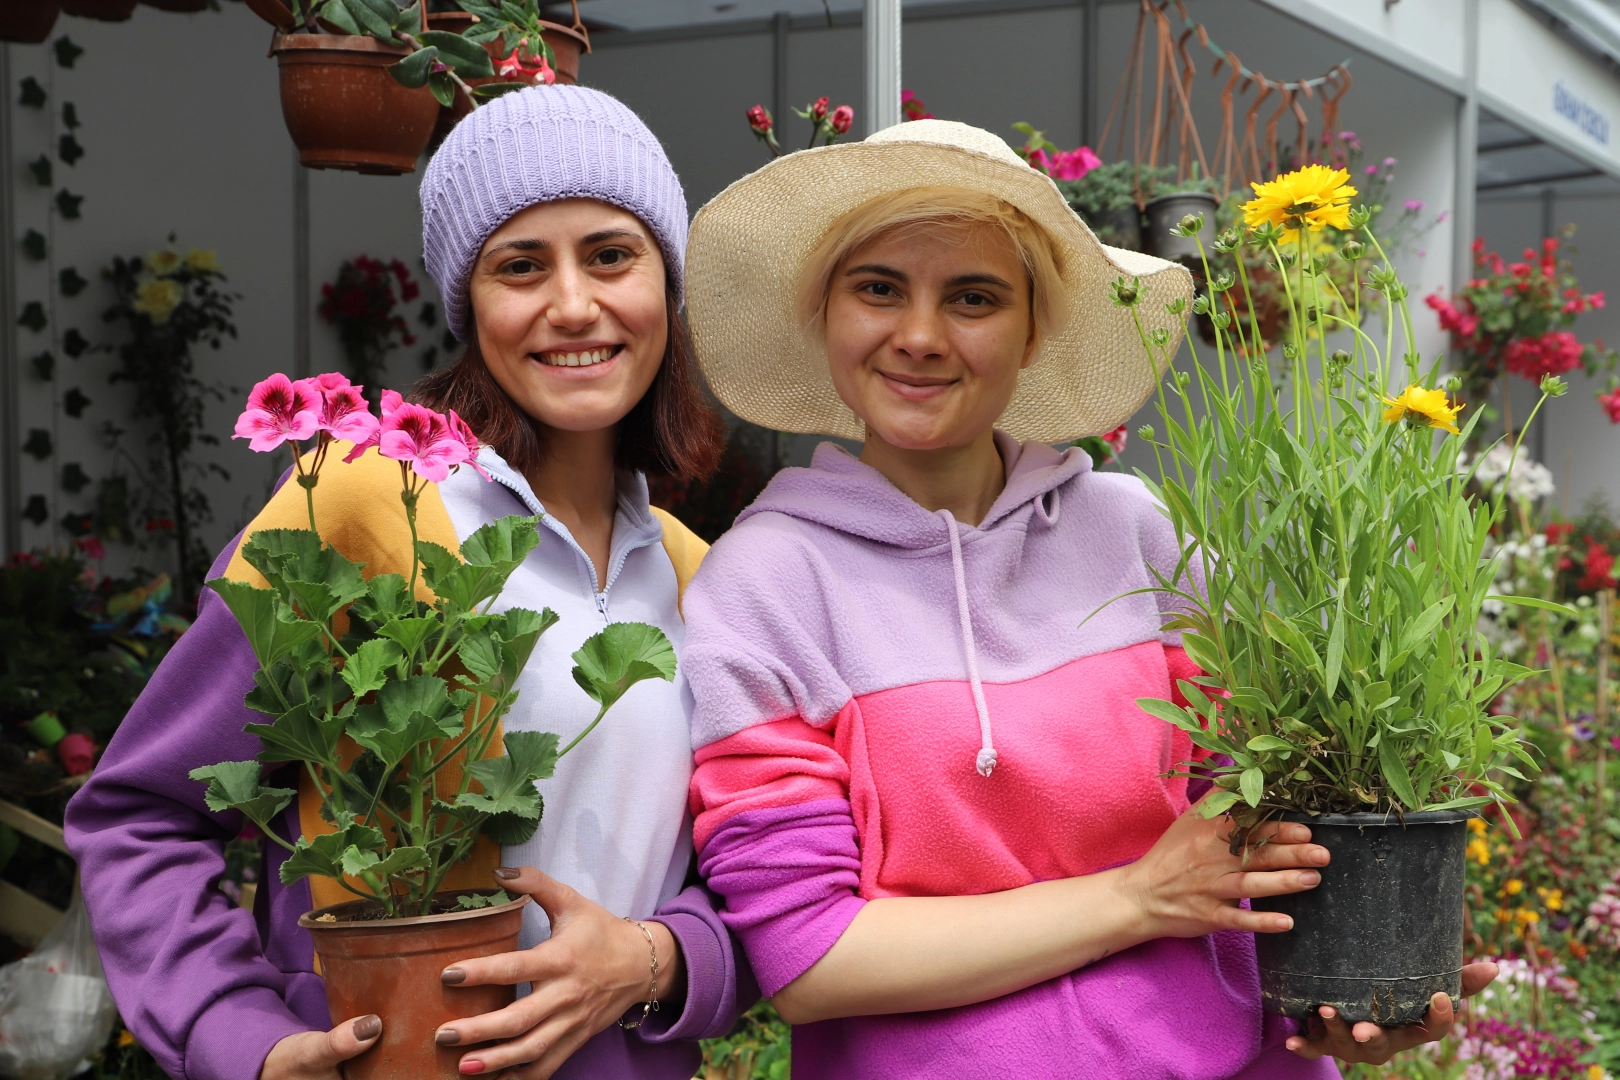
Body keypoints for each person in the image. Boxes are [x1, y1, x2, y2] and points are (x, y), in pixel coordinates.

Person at [676, 119, 1497, 1079]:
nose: (919, 335)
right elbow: (810, 960)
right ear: (825, 315)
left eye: (974, 297)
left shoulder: (1138, 528)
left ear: (1036, 332)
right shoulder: (764, 585)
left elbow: (1253, 819)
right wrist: (1138, 899)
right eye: (878, 288)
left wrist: (1344, 989)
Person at [65, 85, 751, 1080]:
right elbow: (139, 812)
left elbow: (757, 883)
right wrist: (235, 1037)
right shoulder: (361, 507)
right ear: (467, 305)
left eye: (611, 254)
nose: (572, 304)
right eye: (519, 266)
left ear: (667, 281)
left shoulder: (701, 574)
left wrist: (657, 959)